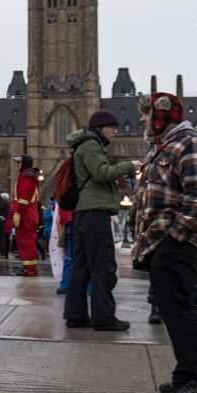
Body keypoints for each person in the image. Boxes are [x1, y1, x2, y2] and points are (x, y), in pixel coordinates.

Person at [133, 93, 197, 393]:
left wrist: (176, 236)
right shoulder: (164, 148)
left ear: (161, 116)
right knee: (173, 311)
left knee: (181, 310)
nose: (142, 120)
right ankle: (187, 375)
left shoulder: (189, 143)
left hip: (176, 242)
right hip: (162, 241)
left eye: (146, 114)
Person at [63, 111, 139, 332]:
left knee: (82, 266)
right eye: (112, 127)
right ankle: (104, 317)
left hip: (84, 212)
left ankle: (76, 314)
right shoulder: (91, 145)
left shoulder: (85, 145)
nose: (116, 131)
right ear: (101, 127)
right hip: (94, 213)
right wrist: (129, 165)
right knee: (103, 266)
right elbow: (100, 173)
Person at [7, 155, 43, 277]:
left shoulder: (26, 178)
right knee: (25, 242)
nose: (18, 165)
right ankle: (28, 268)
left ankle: (30, 269)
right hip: (27, 214)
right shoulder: (28, 176)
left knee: (27, 243)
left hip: (25, 215)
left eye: (19, 163)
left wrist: (17, 212)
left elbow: (24, 198)